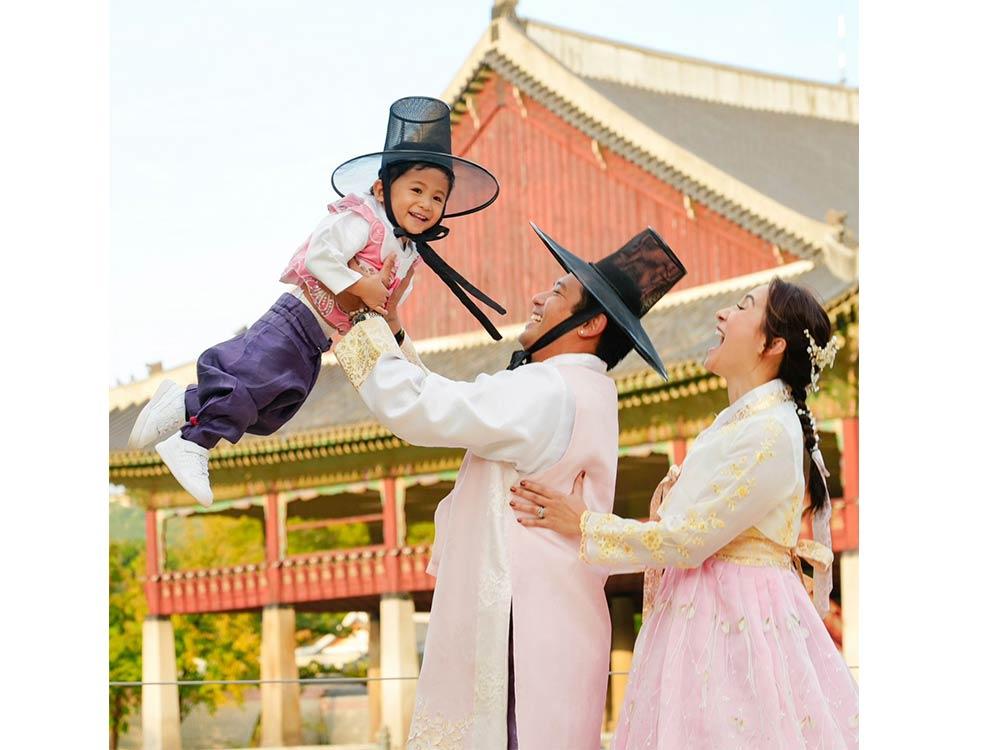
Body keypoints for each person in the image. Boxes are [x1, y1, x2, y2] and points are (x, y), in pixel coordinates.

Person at [333, 224, 685, 749]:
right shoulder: (584, 387)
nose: (538, 297)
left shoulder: (546, 388)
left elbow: (426, 409)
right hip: (560, 616)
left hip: (517, 615)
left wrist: (356, 323)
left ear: (590, 325)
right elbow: (460, 403)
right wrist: (394, 332)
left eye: (558, 292)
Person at [511, 277, 859, 749]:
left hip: (736, 621)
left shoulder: (771, 432)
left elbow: (689, 539)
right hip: (703, 611)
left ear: (772, 343)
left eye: (742, 306)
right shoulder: (743, 422)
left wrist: (585, 524)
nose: (722, 315)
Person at [126, 96, 502, 507]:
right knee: (253, 383)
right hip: (295, 318)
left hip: (319, 340)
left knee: (275, 405)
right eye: (416, 190)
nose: (426, 204)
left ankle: (183, 402)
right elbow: (319, 254)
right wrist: (362, 286)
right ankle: (193, 443)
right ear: (382, 188)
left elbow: (383, 313)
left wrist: (413, 365)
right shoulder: (364, 219)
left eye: (436, 197)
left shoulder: (408, 252)